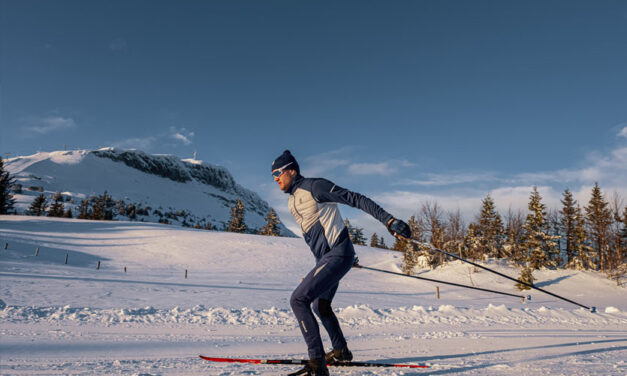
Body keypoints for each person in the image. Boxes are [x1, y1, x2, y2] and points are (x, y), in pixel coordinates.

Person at [271, 150, 411, 376]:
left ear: (292, 170)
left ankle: (317, 366)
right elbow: (320, 235)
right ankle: (341, 351)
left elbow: (355, 198)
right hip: (330, 258)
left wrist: (389, 220)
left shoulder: (315, 187)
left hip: (338, 255)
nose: (275, 178)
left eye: (278, 172)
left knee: (298, 300)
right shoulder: (292, 201)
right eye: (272, 175)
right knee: (320, 306)